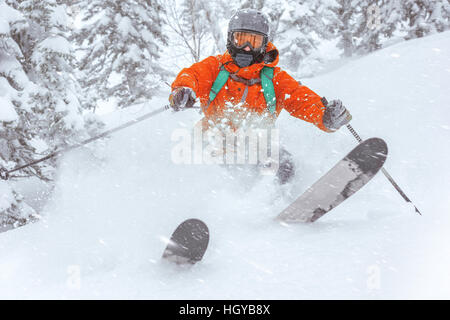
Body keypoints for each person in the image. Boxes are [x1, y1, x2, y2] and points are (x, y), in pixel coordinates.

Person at [169, 9, 352, 184]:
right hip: (213, 145)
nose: (247, 48)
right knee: (209, 165)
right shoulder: (215, 68)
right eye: (241, 39)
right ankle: (210, 206)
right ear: (230, 39)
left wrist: (324, 115)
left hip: (255, 148)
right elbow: (192, 76)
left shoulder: (274, 78)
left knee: (282, 164)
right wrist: (183, 91)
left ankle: (275, 205)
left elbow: (299, 98)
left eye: (254, 42)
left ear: (264, 45)